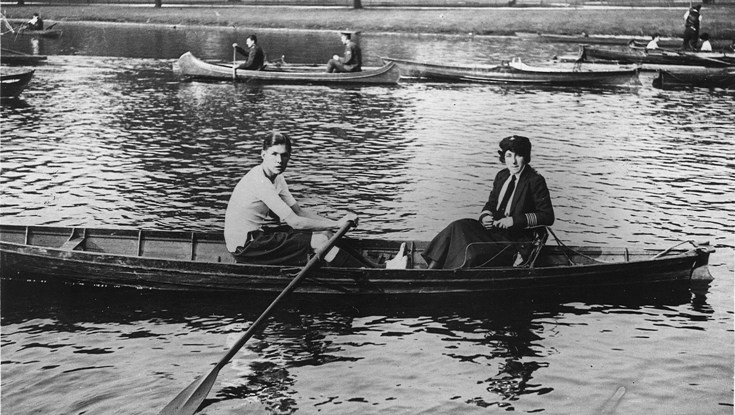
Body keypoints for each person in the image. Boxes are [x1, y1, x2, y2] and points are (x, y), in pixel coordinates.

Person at [224, 131, 376, 268]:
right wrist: (337, 223)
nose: (279, 160)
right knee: (320, 240)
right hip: (245, 247)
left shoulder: (277, 177)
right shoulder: (260, 182)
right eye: (274, 154)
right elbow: (295, 222)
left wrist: (331, 226)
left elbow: (299, 212)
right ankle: (366, 274)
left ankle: (375, 268)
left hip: (257, 236)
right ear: (263, 155)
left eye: (284, 155)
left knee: (325, 232)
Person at [422, 135, 555, 270]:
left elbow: (548, 216)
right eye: (509, 156)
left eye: (518, 156)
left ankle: (445, 275)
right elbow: (491, 204)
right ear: (504, 157)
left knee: (472, 253)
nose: (513, 162)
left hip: (515, 242)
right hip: (493, 233)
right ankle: (430, 271)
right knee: (457, 226)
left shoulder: (535, 180)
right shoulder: (502, 176)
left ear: (526, 157)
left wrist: (513, 221)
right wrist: (485, 216)